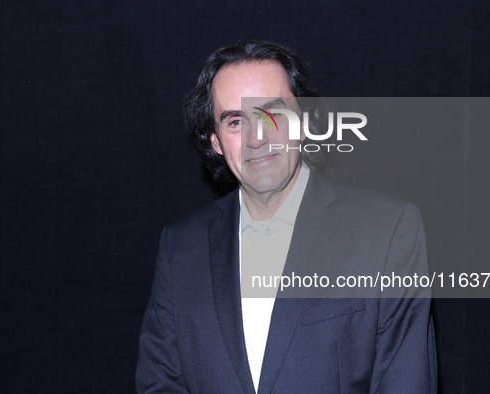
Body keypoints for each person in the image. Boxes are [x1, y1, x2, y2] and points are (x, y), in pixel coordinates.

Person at [136, 40, 437, 393]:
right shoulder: (180, 248)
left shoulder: (387, 231)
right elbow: (159, 385)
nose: (257, 139)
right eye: (235, 121)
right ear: (215, 140)